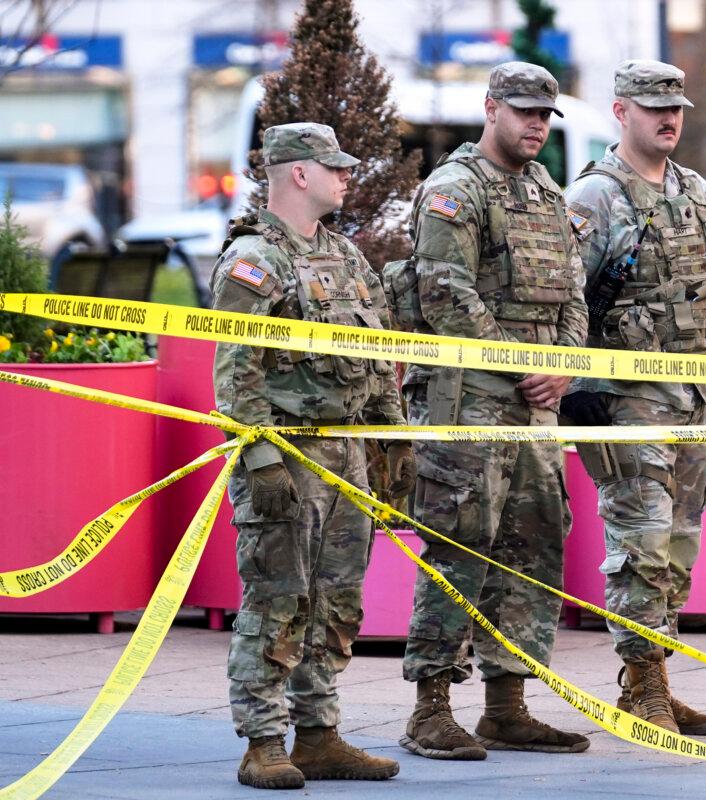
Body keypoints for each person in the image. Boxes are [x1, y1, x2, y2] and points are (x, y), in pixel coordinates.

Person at [381, 61, 590, 761]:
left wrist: (562, 366)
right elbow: (446, 295)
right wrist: (521, 365)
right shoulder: (454, 189)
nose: (536, 125)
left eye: (544, 115)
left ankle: (507, 704)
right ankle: (430, 706)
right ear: (490, 108)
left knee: (532, 545)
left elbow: (573, 294)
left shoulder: (544, 191)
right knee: (460, 546)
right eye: (524, 111)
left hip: (536, 409)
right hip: (469, 400)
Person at [211, 122, 412, 789]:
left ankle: (319, 732)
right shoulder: (254, 259)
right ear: (299, 172)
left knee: (336, 600)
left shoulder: (345, 257)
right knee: (278, 598)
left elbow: (379, 355)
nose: (346, 177)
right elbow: (235, 370)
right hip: (288, 454)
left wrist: (391, 436)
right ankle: (263, 740)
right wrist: (260, 458)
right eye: (337, 167)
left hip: (347, 452)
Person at [561, 60, 706, 736]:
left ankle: (653, 678)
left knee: (678, 547)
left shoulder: (698, 192)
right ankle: (644, 687)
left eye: (676, 108)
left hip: (693, 398)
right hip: (627, 401)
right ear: (621, 113)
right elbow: (564, 302)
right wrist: (577, 389)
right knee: (640, 544)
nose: (668, 118)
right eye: (652, 108)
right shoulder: (593, 198)